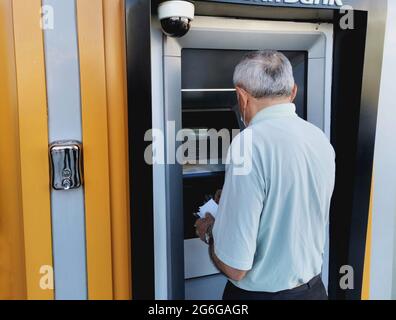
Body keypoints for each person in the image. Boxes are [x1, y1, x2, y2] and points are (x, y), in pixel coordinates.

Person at [195, 50, 336, 300]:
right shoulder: (319, 138)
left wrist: (210, 231)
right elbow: (289, 204)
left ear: (241, 96)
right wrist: (233, 200)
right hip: (313, 291)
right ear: (293, 91)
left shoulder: (248, 144)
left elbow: (235, 267)